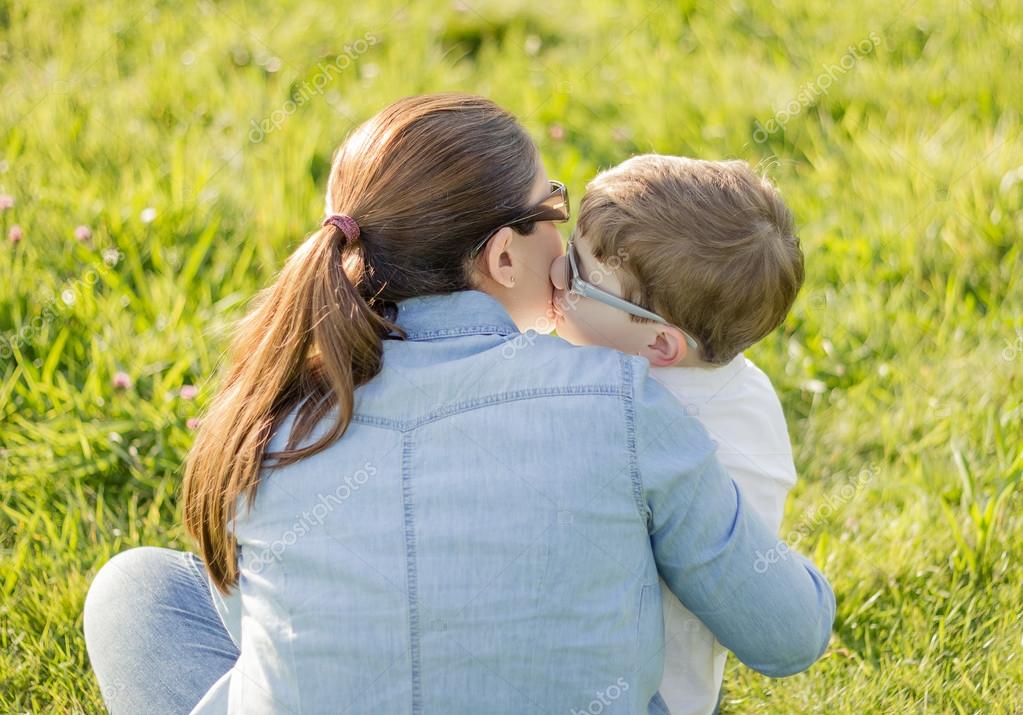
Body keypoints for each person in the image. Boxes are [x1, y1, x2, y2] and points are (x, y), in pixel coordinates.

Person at [83, 93, 834, 715]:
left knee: (137, 588)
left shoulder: (274, 412)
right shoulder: (624, 400)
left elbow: (270, 639)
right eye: (554, 210)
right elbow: (786, 633)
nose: (564, 238)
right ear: (504, 254)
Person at [550, 154, 805, 714]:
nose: (553, 275)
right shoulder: (748, 394)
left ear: (660, 346)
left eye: (576, 275)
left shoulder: (643, 416)